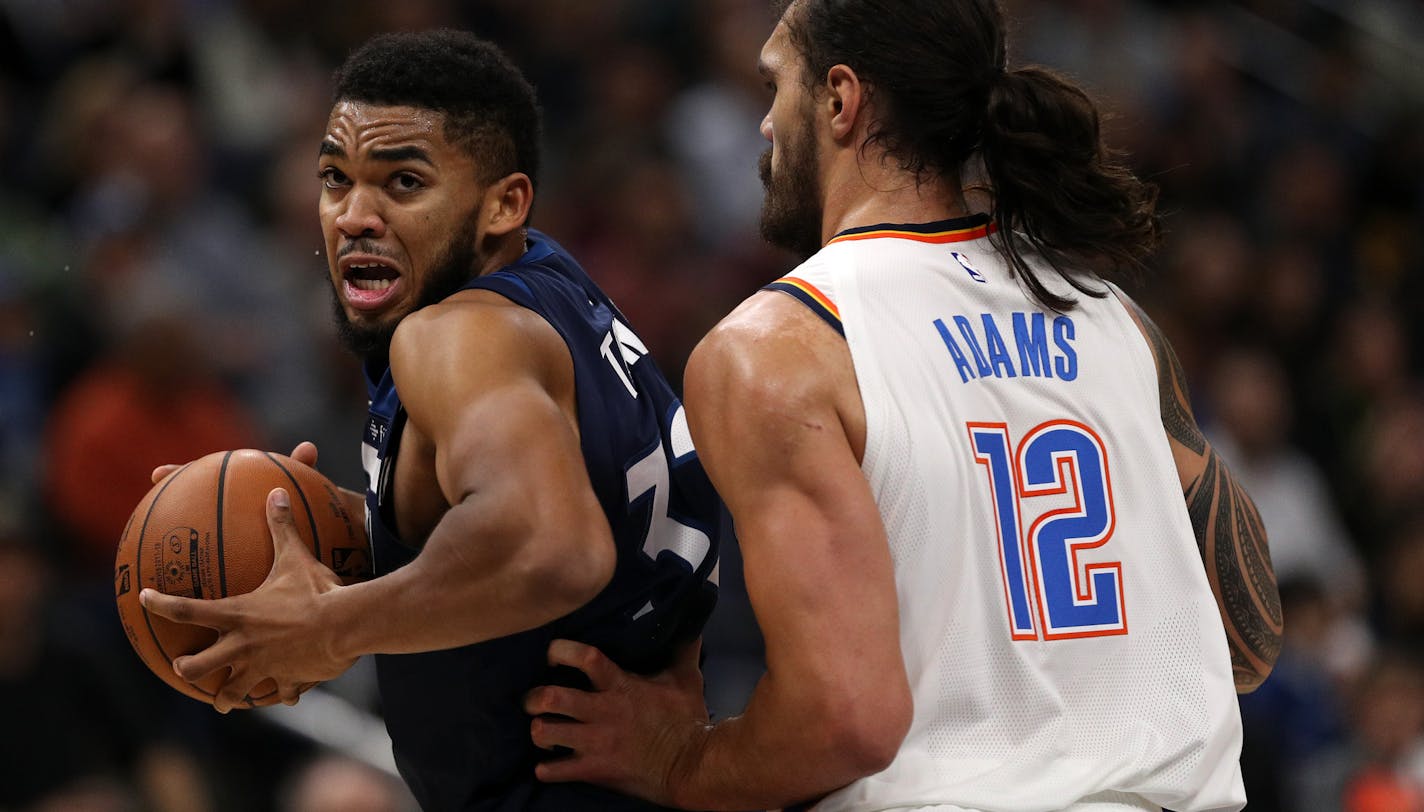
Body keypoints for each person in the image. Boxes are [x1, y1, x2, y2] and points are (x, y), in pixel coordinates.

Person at [522, 1, 1283, 811]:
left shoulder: (778, 347)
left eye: (776, 86)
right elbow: (1250, 637)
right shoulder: (1114, 318)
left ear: (841, 100)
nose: (765, 125)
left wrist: (680, 762)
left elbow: (845, 721)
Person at [140, 29, 722, 812]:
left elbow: (554, 550)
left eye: (403, 183)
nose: (354, 216)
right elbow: (572, 519)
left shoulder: (452, 333)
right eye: (334, 179)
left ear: (504, 204)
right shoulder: (549, 286)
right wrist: (353, 521)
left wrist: (329, 626)